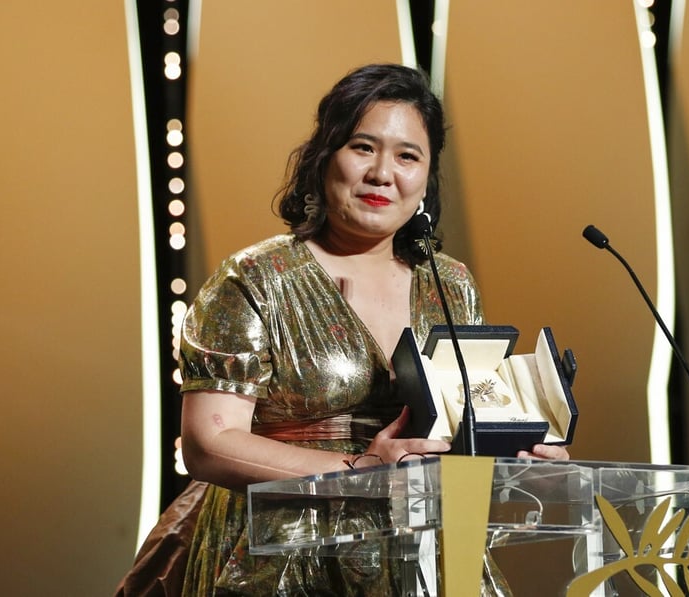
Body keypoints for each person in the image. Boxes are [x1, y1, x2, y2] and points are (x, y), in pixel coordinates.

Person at [119, 63, 569, 597]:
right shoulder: (257, 278)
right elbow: (208, 442)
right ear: (323, 159)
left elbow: (457, 418)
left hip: (418, 552)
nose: (383, 173)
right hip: (277, 556)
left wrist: (511, 450)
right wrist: (358, 468)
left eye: (407, 156)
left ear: (426, 177)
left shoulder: (450, 283)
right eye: (362, 147)